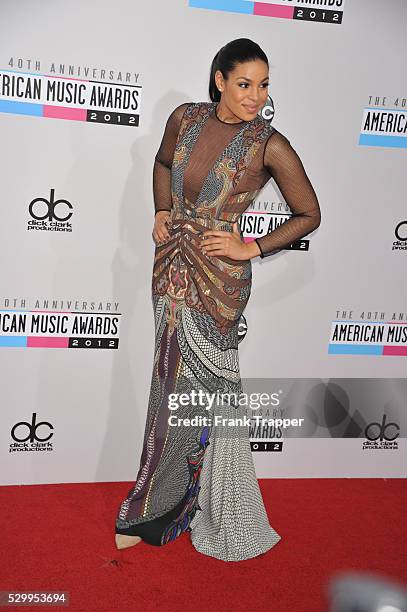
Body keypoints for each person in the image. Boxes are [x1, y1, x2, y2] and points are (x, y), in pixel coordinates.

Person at [115, 38, 321, 562]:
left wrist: (248, 246)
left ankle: (177, 510)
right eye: (246, 84)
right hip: (170, 269)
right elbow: (163, 165)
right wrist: (161, 212)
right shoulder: (184, 119)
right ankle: (162, 508)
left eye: (265, 85)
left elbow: (308, 213)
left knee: (202, 397)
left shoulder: (268, 145)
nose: (257, 96)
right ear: (219, 80)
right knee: (167, 387)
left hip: (218, 282)